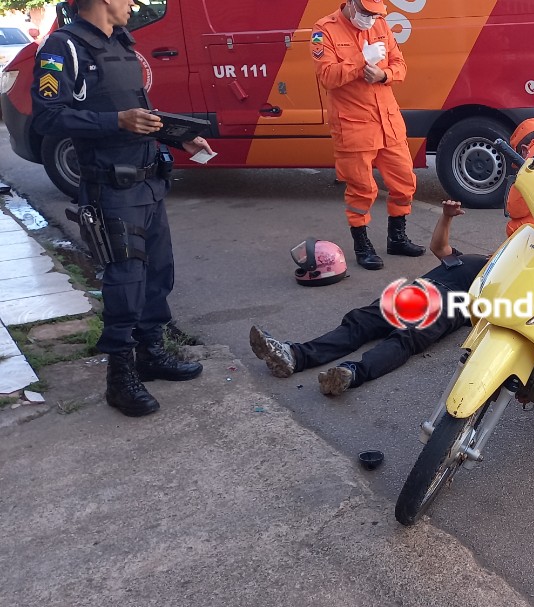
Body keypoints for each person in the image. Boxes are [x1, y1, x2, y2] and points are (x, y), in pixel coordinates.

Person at [31, 0, 214, 418]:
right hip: (111, 188)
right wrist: (116, 122)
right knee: (125, 281)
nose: (132, 3)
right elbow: (47, 118)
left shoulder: (123, 45)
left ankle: (151, 353)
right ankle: (120, 377)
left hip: (148, 181)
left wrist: (177, 138)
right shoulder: (63, 48)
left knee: (157, 273)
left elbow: (139, 113)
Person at [250, 201, 488, 396]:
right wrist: (447, 216)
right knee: (359, 322)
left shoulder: (505, 276)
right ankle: (293, 356)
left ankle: (350, 374)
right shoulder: (472, 258)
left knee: (405, 337)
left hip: (450, 304)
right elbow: (439, 247)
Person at [312, 0, 425, 271]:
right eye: (365, 12)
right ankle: (362, 245)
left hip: (388, 122)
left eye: (375, 13)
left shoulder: (381, 24)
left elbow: (400, 66)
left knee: (405, 182)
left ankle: (396, 238)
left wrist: (383, 74)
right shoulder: (323, 30)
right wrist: (362, 60)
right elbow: (326, 76)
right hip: (353, 125)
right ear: (350, 4)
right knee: (361, 190)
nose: (370, 18)